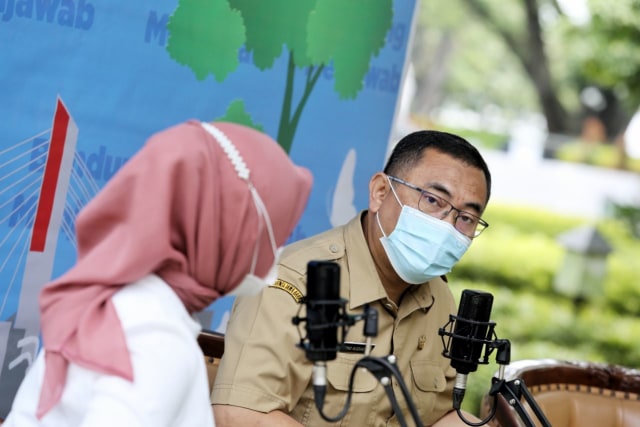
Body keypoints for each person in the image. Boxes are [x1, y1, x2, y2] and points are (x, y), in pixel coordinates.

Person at [3, 120, 313, 426]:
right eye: (268, 238)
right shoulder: (157, 338)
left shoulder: (111, 302)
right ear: (220, 232)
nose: (273, 256)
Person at [212, 129, 492, 426]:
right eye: (433, 201)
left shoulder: (438, 297)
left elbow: (441, 416)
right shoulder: (293, 281)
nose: (447, 226)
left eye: (466, 218)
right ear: (380, 192)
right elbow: (239, 414)